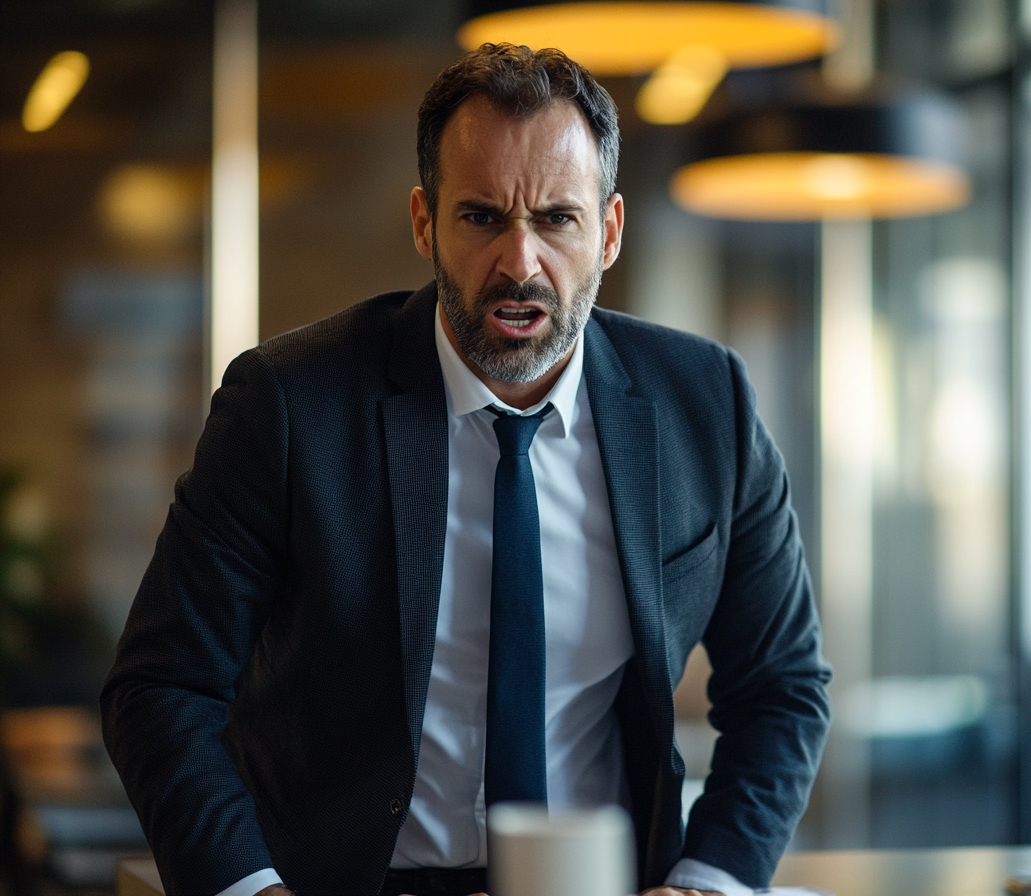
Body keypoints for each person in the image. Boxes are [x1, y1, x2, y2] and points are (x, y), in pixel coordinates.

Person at [101, 43, 830, 896]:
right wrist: (250, 889)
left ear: (609, 230)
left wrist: (710, 881)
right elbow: (162, 687)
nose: (520, 264)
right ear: (424, 222)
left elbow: (782, 687)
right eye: (483, 216)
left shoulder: (708, 402)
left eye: (557, 218)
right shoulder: (289, 405)